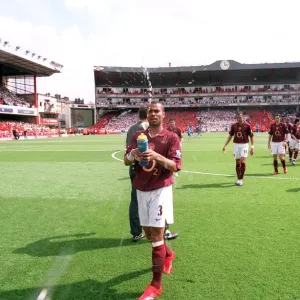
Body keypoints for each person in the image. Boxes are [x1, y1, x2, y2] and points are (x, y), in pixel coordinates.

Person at [124, 102, 182, 300]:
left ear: (163, 114)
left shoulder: (171, 137)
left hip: (160, 189)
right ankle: (169, 254)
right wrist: (133, 155)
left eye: (157, 110)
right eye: (150, 111)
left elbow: (175, 165)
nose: (153, 113)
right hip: (142, 188)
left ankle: (155, 286)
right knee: (149, 234)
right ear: (146, 115)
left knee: (156, 237)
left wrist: (156, 156)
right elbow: (126, 159)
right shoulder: (138, 136)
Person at [125, 106, 149, 242]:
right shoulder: (148, 128)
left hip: (133, 166)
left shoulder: (130, 129)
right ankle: (161, 229)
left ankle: (136, 232)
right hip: (146, 167)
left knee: (135, 199)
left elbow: (127, 149)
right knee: (155, 196)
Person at [222, 112, 254, 186]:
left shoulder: (247, 125)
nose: (239, 119)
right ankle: (238, 178)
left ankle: (241, 179)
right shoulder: (233, 126)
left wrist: (252, 146)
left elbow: (251, 136)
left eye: (240, 118)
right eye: (237, 118)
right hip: (236, 145)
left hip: (244, 145)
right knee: (237, 162)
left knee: (243, 161)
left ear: (243, 117)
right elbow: (230, 136)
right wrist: (225, 145)